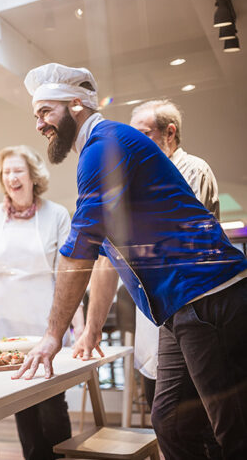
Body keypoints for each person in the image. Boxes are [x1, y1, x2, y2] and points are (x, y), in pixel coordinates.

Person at [13, 62, 247, 459]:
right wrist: (90, 329)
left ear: (76, 105)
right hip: (176, 309)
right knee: (171, 421)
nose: (39, 125)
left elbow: (80, 248)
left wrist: (53, 335)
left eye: (45, 112)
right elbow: (105, 256)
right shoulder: (100, 148)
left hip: (207, 298)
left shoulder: (106, 146)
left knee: (234, 432)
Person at [0, 145, 83, 460]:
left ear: (33, 176)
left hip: (46, 320)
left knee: (51, 402)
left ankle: (60, 457)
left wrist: (80, 327)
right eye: (6, 172)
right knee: (21, 401)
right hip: (4, 325)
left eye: (18, 170)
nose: (11, 177)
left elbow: (68, 275)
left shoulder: (56, 214)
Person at [130, 100, 222, 458]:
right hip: (166, 312)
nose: (136, 146)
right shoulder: (145, 178)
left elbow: (181, 238)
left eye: (145, 135)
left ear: (169, 133)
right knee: (171, 417)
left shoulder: (191, 169)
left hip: (194, 309)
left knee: (194, 418)